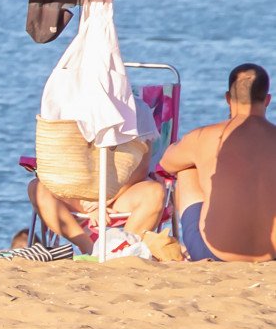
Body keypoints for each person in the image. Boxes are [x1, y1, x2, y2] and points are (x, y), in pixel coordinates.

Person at [159, 63, 276, 262]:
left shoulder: (203, 136)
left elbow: (167, 163)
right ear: (267, 100)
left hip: (215, 254)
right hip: (271, 256)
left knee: (187, 168)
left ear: (228, 99)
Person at [25, 117, 164, 255]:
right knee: (37, 188)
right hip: (78, 192)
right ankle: (90, 250)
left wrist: (105, 198)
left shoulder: (137, 110)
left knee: (155, 193)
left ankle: (122, 249)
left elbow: (140, 168)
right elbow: (59, 166)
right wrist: (87, 198)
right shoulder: (67, 111)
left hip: (121, 194)